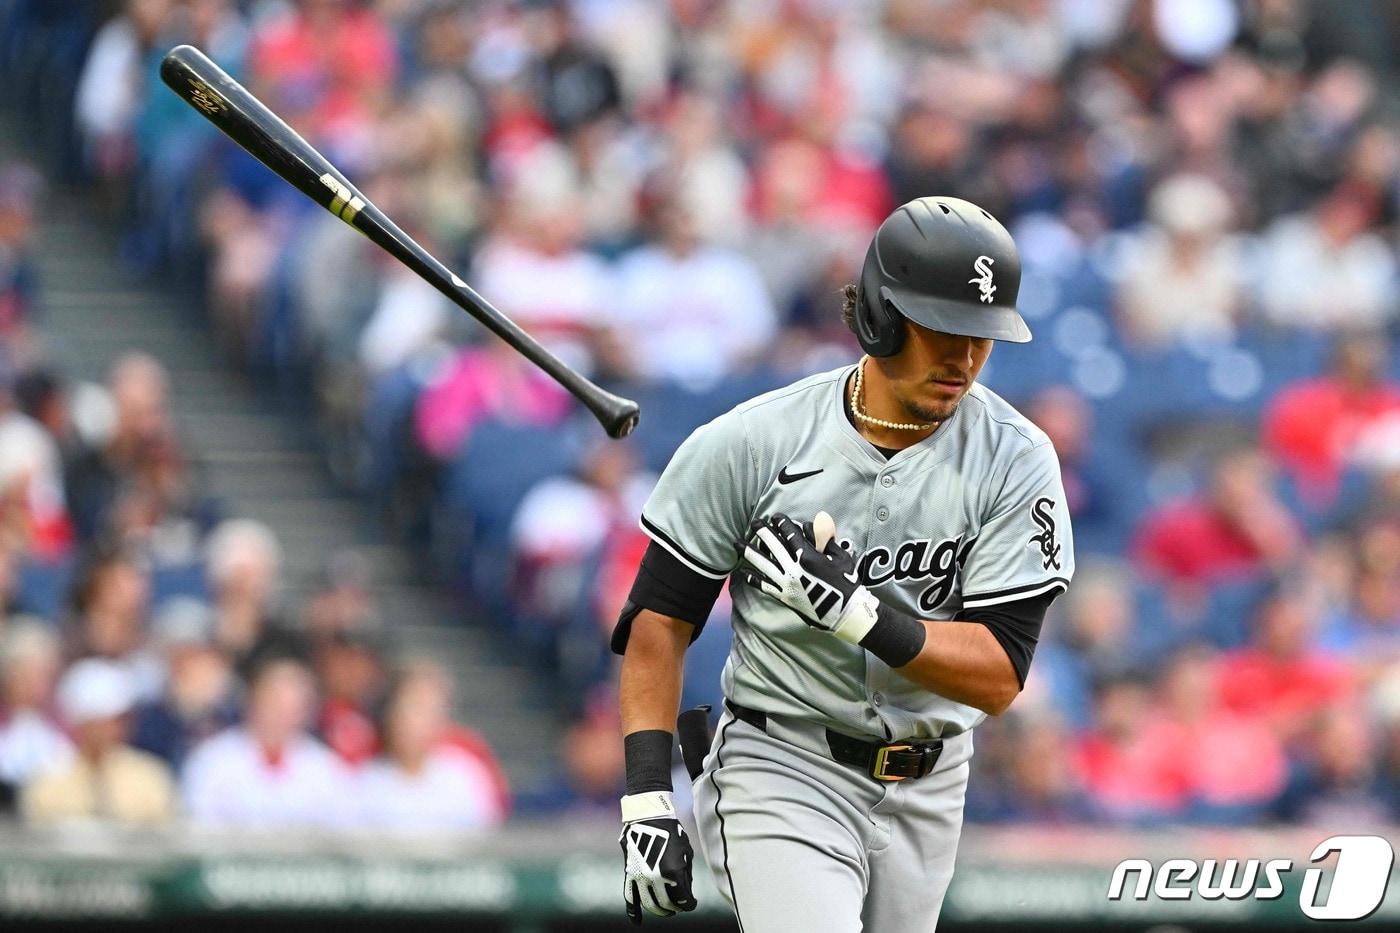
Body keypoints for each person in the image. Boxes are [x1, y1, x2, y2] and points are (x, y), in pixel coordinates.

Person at [612, 198, 1075, 929]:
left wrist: (862, 616)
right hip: (783, 760)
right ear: (881, 317)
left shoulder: (1015, 458)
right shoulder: (753, 441)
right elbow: (661, 621)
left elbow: (997, 674)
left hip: (932, 778)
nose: (964, 358)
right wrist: (645, 796)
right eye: (943, 328)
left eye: (981, 336)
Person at [181, 656, 350, 827]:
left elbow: (336, 829)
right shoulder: (212, 759)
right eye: (275, 704)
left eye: (293, 708)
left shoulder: (324, 766)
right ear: (254, 700)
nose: (283, 717)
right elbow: (199, 825)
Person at [22, 658, 176, 826]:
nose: (108, 730)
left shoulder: (149, 776)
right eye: (98, 723)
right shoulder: (48, 780)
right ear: (80, 723)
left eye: (116, 721)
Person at [356, 661, 509, 831]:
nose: (425, 721)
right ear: (389, 712)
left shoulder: (464, 776)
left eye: (434, 710)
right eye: (415, 707)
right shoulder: (366, 782)